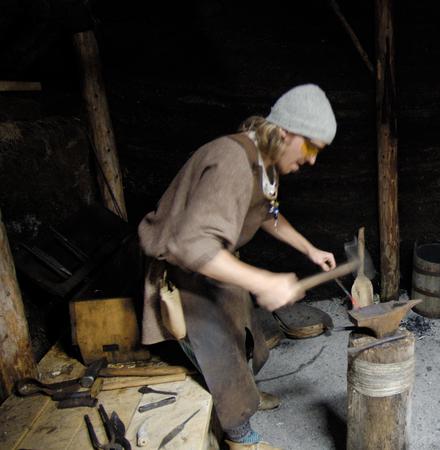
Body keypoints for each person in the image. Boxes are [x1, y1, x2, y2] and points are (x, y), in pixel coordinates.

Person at [138, 84, 338, 450]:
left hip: (216, 261)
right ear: (283, 133)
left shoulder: (265, 164)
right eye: (310, 147)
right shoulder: (232, 160)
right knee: (219, 351)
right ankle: (239, 436)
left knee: (245, 333)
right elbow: (191, 246)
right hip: (185, 273)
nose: (311, 160)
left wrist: (309, 249)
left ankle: (247, 394)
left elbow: (266, 215)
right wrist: (264, 281)